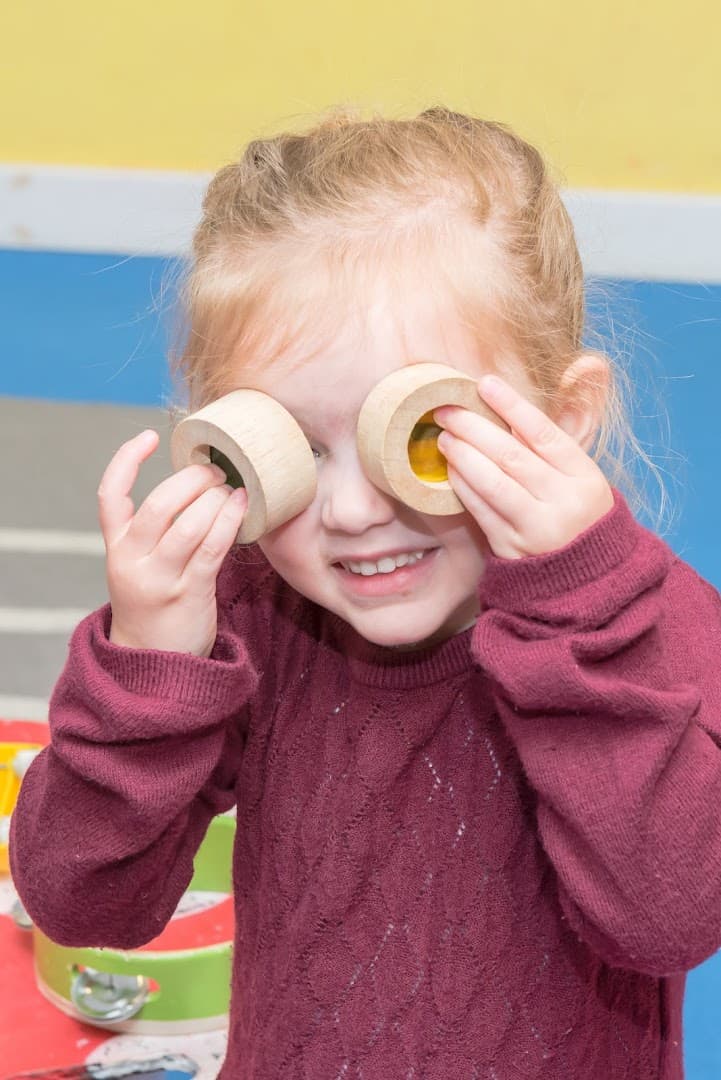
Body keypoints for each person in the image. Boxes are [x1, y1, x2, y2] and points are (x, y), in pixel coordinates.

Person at [11, 108, 721, 1079]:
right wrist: (152, 668)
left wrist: (575, 621)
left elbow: (668, 918)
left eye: (418, 438)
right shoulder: (253, 614)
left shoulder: (641, 628)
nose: (349, 511)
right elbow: (84, 903)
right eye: (293, 452)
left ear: (562, 417)